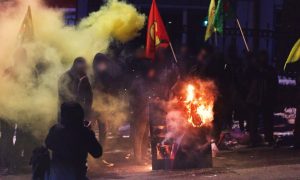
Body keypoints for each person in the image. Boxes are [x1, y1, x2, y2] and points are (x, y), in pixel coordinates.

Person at [45, 102, 102, 180]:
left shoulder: (55, 130)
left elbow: (48, 144)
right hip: (77, 176)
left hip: (57, 176)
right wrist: (89, 132)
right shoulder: (83, 132)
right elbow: (97, 152)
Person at [246, 51, 278, 147]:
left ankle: (269, 138)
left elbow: (273, 82)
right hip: (255, 98)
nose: (263, 59)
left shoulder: (270, 69)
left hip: (266, 98)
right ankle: (253, 140)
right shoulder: (253, 69)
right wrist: (250, 61)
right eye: (261, 57)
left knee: (268, 120)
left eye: (264, 57)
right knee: (253, 121)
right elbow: (246, 76)